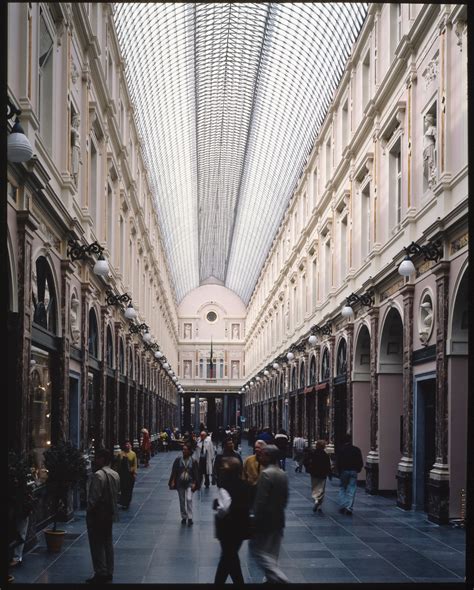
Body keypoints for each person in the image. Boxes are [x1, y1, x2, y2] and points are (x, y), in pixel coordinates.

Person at [250, 445, 289, 584]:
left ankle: (278, 577)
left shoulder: (266, 474)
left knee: (258, 551)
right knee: (273, 552)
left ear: (269, 457)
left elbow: (260, 502)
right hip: (278, 518)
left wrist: (255, 519)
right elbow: (285, 499)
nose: (261, 456)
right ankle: (270, 578)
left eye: (264, 454)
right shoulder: (282, 473)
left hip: (266, 520)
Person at [213, 457, 251, 584]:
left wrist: (217, 507)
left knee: (227, 558)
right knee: (230, 557)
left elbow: (224, 507)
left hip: (227, 528)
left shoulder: (225, 484)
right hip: (241, 527)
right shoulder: (245, 485)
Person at [86, 448, 120, 584]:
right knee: (107, 542)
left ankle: (100, 572)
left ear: (102, 459)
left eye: (97, 457)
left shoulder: (98, 475)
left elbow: (93, 499)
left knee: (97, 544)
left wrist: (89, 511)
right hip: (110, 513)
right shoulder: (115, 474)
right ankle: (109, 571)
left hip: (98, 515)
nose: (95, 460)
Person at [168, 443, 199, 525]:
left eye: (185, 449)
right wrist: (173, 481)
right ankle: (184, 517)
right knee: (182, 500)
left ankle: (190, 517)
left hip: (190, 482)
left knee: (189, 499)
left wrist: (195, 483)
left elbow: (196, 473)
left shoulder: (193, 461)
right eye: (183, 449)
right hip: (180, 482)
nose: (183, 451)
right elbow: (174, 471)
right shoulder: (178, 460)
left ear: (189, 451)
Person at [336, 433, 364, 515]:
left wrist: (339, 471)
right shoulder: (356, 449)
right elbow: (360, 461)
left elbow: (339, 462)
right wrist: (358, 469)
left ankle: (343, 505)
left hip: (344, 471)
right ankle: (349, 507)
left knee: (342, 488)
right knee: (352, 489)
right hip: (353, 471)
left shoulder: (341, 450)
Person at [303, 440, 332, 513]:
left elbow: (306, 461)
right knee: (321, 488)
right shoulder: (325, 455)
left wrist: (308, 468)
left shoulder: (313, 454)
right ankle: (319, 505)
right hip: (323, 474)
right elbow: (328, 465)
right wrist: (329, 474)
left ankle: (316, 500)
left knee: (315, 487)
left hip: (314, 472)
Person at [242, 439, 267, 507]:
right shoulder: (248, 460)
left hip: (264, 490)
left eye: (258, 448)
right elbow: (243, 474)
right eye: (255, 447)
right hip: (251, 489)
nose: (256, 449)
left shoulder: (267, 460)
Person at [115, 441, 137, 510]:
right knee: (123, 488)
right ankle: (123, 502)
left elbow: (135, 464)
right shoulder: (120, 454)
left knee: (129, 488)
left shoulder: (133, 454)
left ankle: (127, 502)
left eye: (128, 444)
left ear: (130, 446)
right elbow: (118, 464)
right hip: (122, 473)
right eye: (126, 444)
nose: (127, 446)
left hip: (130, 474)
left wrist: (134, 472)